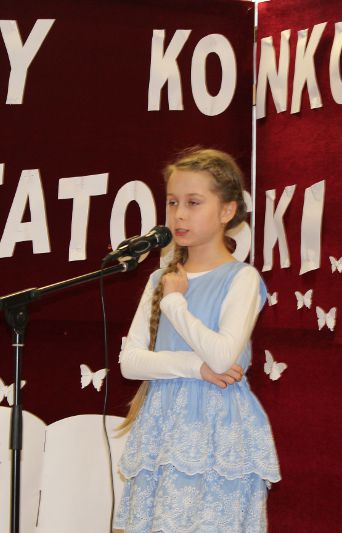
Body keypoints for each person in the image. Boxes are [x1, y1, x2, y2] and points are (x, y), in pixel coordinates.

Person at [113, 148, 281, 533]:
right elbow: (131, 362)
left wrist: (175, 303)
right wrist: (194, 367)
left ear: (227, 211)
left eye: (193, 202)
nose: (179, 215)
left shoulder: (241, 278)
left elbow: (222, 358)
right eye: (172, 203)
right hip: (163, 425)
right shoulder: (159, 279)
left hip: (219, 429)